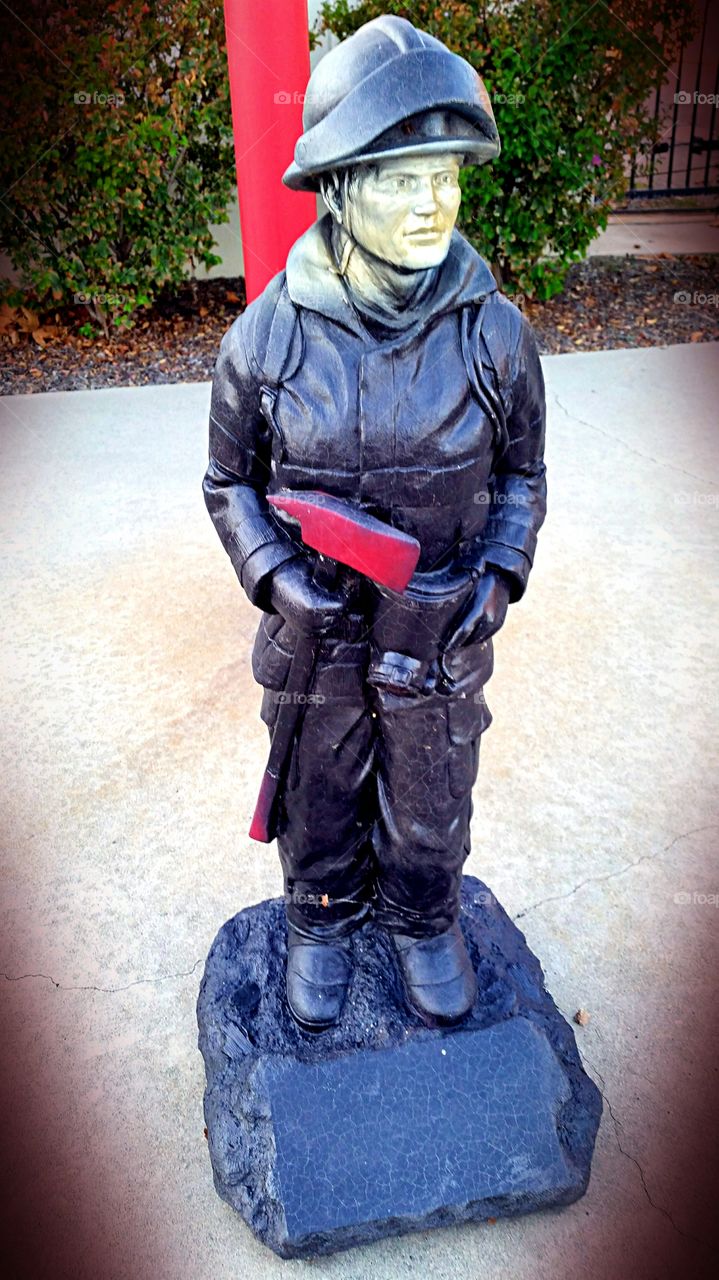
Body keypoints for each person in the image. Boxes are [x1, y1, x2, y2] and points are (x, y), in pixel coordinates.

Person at [203, 15, 547, 1032]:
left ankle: (419, 915)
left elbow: (523, 474)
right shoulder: (265, 338)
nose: (432, 201)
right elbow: (227, 481)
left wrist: (495, 576)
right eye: (402, 177)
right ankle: (319, 919)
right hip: (316, 635)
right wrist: (274, 572)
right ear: (342, 186)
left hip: (437, 626)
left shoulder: (495, 332)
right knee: (318, 791)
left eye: (444, 173)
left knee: (433, 793)